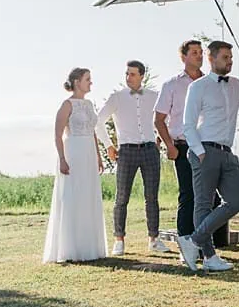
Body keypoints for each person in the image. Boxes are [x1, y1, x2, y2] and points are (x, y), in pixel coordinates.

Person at [179, 40, 239, 273]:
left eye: (231, 58)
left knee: (236, 201)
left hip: (228, 153)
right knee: (204, 204)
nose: (230, 62)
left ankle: (193, 241)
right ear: (212, 59)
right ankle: (209, 257)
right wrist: (199, 153)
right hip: (205, 150)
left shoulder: (236, 85)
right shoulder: (198, 87)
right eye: (225, 58)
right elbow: (188, 125)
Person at [154, 40, 226, 263]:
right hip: (184, 147)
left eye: (200, 53)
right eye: (194, 53)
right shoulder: (172, 85)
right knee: (189, 196)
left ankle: (205, 247)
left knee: (212, 199)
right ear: (183, 57)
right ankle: (186, 248)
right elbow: (159, 119)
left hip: (210, 146)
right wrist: (170, 146)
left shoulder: (211, 82)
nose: (199, 56)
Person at [96, 60, 175, 257]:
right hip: (126, 151)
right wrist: (109, 146)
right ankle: (119, 240)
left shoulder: (154, 97)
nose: (128, 77)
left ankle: (154, 240)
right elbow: (98, 121)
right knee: (121, 198)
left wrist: (159, 139)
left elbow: (168, 118)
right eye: (126, 73)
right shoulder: (117, 97)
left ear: (142, 76)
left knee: (152, 197)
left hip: (150, 150)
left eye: (132, 74)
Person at [43, 67, 108, 263]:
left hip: (89, 152)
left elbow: (93, 131)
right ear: (77, 82)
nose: (90, 82)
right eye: (88, 79)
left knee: (88, 195)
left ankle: (90, 247)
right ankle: (70, 248)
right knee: (73, 196)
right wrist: (62, 159)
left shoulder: (88, 104)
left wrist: (98, 156)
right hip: (74, 152)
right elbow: (57, 134)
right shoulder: (67, 105)